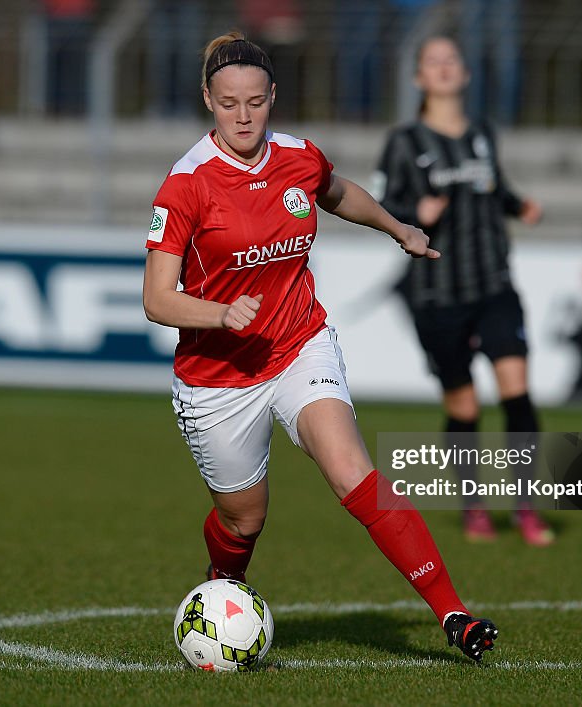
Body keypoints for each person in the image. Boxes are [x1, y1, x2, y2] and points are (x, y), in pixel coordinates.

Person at [143, 31, 498, 663]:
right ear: (208, 99)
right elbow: (157, 298)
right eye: (229, 103)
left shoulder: (298, 157)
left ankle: (455, 615)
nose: (244, 115)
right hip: (217, 378)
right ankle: (225, 583)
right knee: (242, 518)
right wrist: (221, 313)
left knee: (353, 472)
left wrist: (398, 228)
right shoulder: (187, 184)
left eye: (255, 101)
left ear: (273, 96)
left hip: (299, 343)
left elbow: (336, 193)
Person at [374, 35, 554, 546]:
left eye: (452, 58)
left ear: (465, 73)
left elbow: (494, 188)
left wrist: (519, 207)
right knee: (464, 406)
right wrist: (414, 217)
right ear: (419, 79)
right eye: (434, 60)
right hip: (437, 293)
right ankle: (475, 507)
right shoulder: (404, 142)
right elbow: (382, 207)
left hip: (494, 284)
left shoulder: (482, 134)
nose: (445, 66)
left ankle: (525, 507)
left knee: (516, 390)